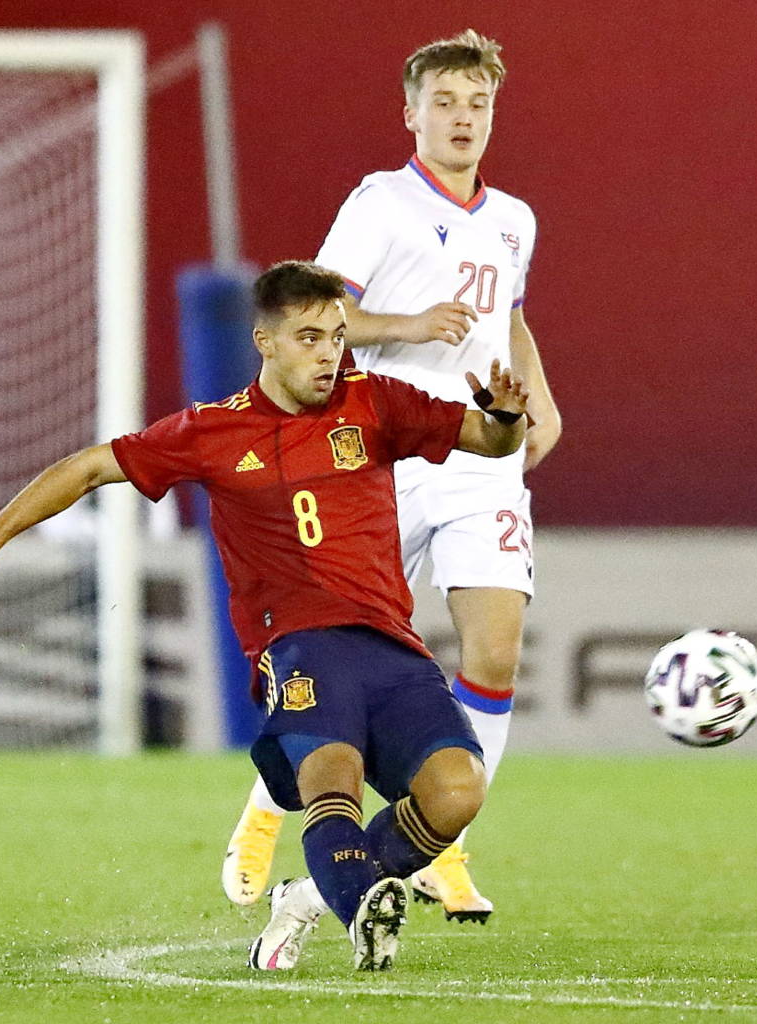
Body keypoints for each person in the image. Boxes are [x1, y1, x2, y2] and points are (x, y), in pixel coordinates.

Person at [0, 261, 530, 971]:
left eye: (337, 336)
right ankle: (364, 909)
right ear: (265, 341)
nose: (328, 353)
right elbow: (92, 466)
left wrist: (504, 415)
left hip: (391, 648)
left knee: (459, 791)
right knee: (330, 779)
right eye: (308, 336)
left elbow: (490, 442)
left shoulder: (376, 403)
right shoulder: (212, 431)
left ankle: (309, 897)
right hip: (299, 647)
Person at [223, 29, 561, 924]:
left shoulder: (514, 218)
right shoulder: (380, 203)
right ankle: (264, 816)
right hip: (380, 453)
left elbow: (507, 321)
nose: (461, 118)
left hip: (479, 457)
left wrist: (545, 400)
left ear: (493, 116)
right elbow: (318, 317)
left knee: (493, 653)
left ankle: (437, 851)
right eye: (444, 102)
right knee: (347, 664)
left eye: (476, 103)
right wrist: (411, 324)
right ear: (410, 114)